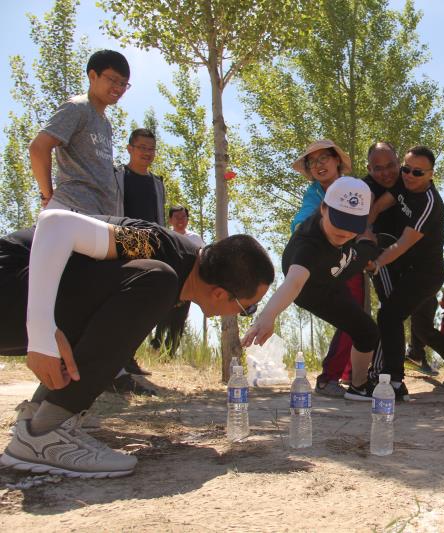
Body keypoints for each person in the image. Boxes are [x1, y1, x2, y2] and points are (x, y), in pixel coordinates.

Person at [0, 209, 273, 477]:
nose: (243, 314)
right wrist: (41, 331)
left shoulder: (183, 265)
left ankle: (38, 419)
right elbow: (55, 223)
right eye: (246, 308)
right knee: (157, 280)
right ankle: (45, 434)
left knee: (152, 286)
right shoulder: (154, 245)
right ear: (219, 293)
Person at [242, 177, 380, 402]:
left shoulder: (349, 234)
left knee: (368, 249)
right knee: (365, 329)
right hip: (313, 289)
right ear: (323, 208)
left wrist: (366, 244)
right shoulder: (307, 245)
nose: (344, 232)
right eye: (339, 222)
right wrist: (266, 316)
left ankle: (359, 386)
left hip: (341, 267)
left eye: (352, 226)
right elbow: (294, 283)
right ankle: (358, 384)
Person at [368, 146, 444, 400]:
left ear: (431, 174)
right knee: (423, 329)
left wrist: (376, 263)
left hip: (425, 275)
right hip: (407, 271)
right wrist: (366, 231)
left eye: (417, 172)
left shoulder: (429, 203)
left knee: (389, 315)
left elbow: (403, 244)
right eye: (405, 169)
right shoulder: (403, 184)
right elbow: (378, 207)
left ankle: (394, 381)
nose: (408, 175)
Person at [289, 140, 361, 398]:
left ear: (337, 161)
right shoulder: (314, 194)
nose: (319, 166)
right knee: (349, 315)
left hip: (352, 259)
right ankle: (330, 377)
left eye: (324, 159)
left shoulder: (353, 188)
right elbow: (303, 218)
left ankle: (349, 374)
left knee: (356, 316)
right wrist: (303, 238)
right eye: (312, 162)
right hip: (326, 262)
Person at [29, 50, 130, 215]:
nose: (118, 88)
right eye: (113, 79)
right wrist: (47, 196)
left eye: (123, 83)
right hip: (73, 209)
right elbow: (38, 148)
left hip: (99, 214)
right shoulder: (77, 107)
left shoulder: (106, 123)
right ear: (92, 76)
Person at [110, 127, 166, 384]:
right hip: (123, 240)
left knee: (147, 302)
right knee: (120, 301)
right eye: (142, 147)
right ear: (130, 148)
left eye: (151, 149)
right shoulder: (117, 176)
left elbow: (159, 217)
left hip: (151, 243)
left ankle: (127, 355)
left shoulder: (157, 183)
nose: (147, 153)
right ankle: (115, 359)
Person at [148, 205, 206, 359]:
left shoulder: (195, 238)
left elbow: (203, 260)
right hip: (166, 282)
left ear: (187, 219)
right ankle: (155, 347)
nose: (180, 221)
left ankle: (169, 355)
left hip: (186, 285)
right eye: (177, 217)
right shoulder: (164, 235)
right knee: (161, 315)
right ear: (170, 220)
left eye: (183, 217)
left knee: (179, 321)